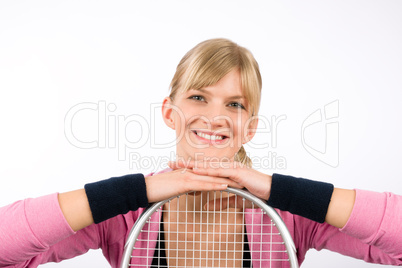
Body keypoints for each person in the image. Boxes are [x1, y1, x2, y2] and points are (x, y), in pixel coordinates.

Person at [0, 38, 401, 267]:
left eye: (235, 104)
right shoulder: (125, 217)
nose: (215, 117)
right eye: (198, 97)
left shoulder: (290, 217)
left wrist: (276, 187)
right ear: (169, 113)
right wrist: (136, 190)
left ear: (251, 127)